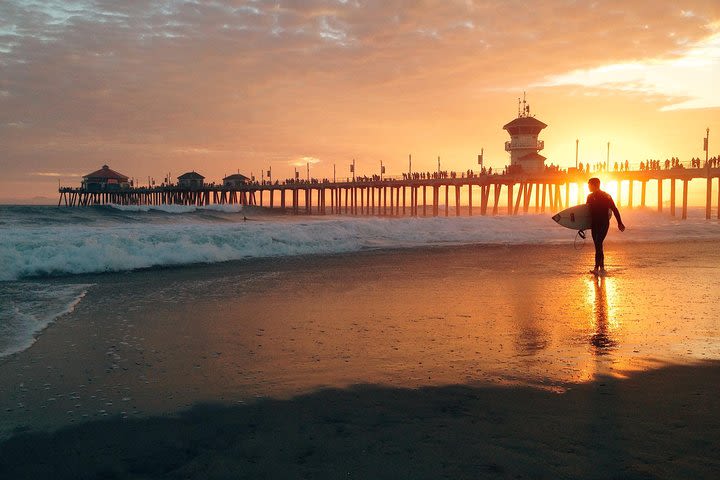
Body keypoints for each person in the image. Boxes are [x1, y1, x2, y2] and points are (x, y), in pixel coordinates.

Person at [586, 178, 625, 275]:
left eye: (589, 185)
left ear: (595, 185)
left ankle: (596, 268)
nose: (588, 187)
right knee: (598, 245)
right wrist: (583, 225)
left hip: (603, 223)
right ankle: (602, 268)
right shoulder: (589, 197)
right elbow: (586, 213)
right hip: (594, 224)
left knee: (598, 243)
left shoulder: (606, 196)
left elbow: (614, 209)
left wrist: (619, 223)